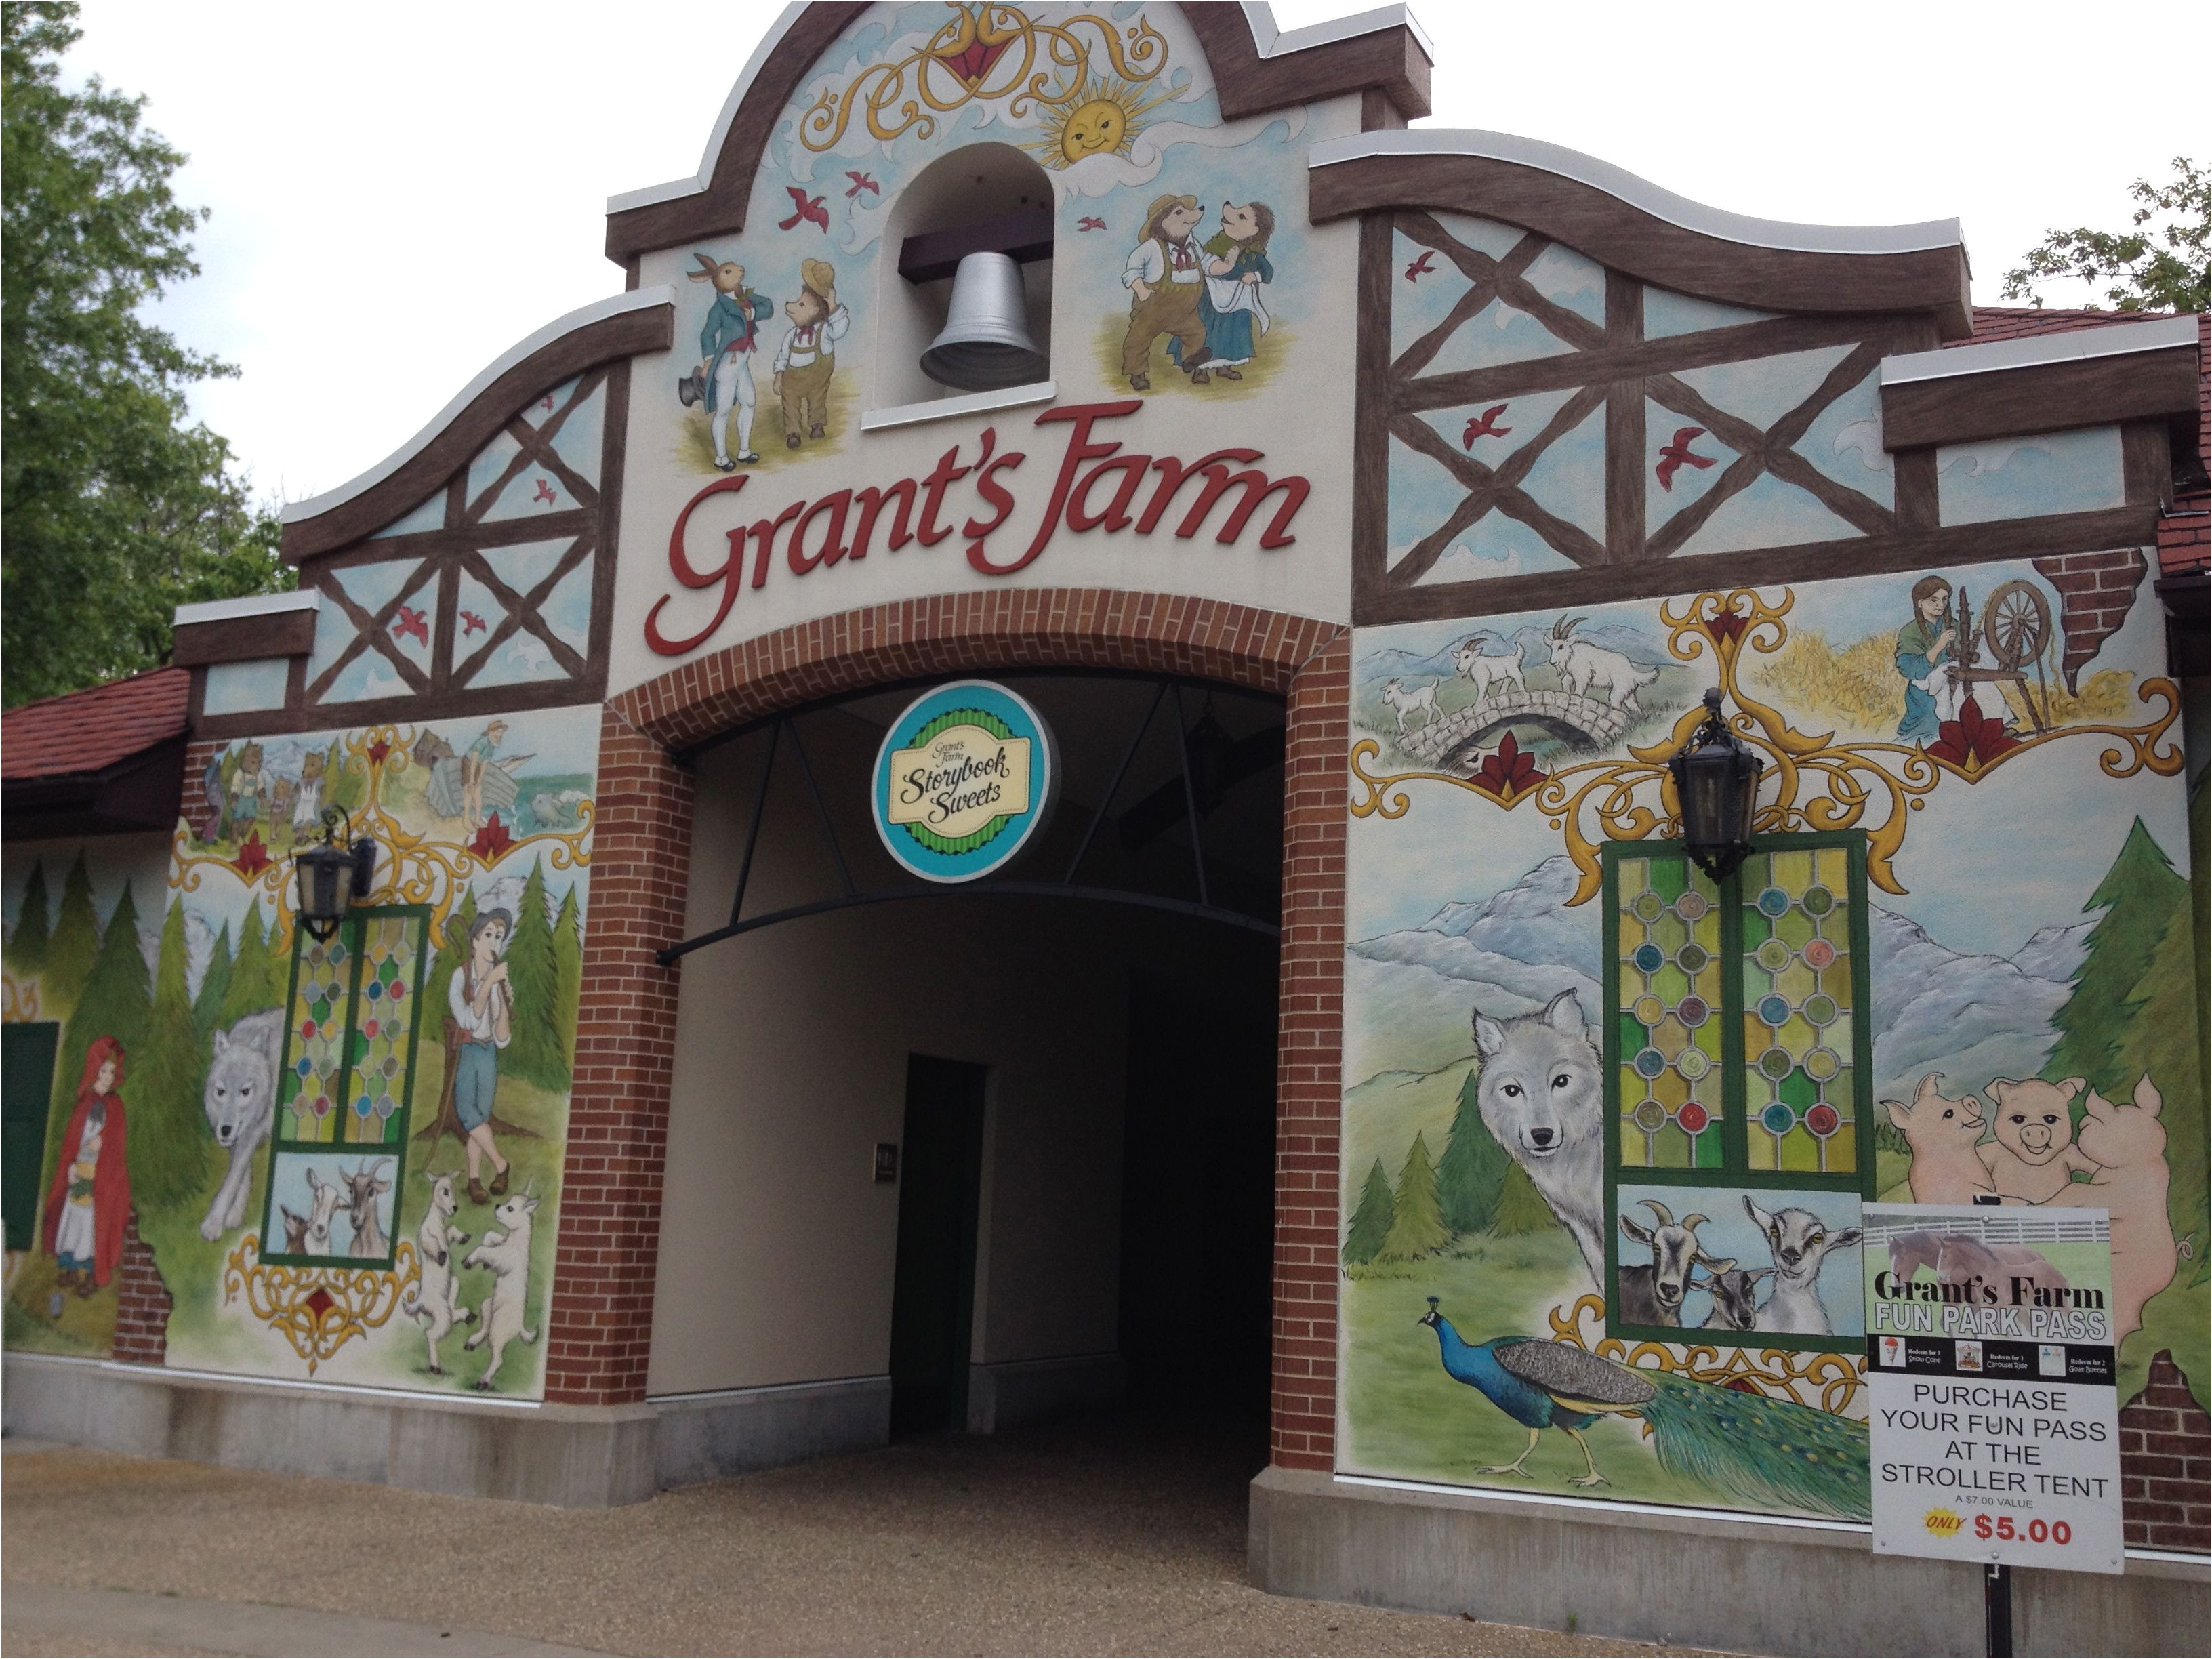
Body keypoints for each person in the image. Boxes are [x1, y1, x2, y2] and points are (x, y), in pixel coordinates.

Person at [41, 1036, 131, 1296]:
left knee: (93, 1224)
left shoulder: (116, 1108)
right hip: (79, 1172)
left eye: (112, 1073)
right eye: (103, 1071)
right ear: (93, 1071)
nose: (107, 1077)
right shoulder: (83, 1106)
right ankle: (69, 1268)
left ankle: (91, 1274)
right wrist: (70, 1164)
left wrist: (102, 1144)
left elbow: (117, 1147)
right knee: (73, 1220)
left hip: (100, 1179)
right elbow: (71, 1142)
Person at [449, 908, 515, 1205]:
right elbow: (468, 1020)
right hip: (468, 1050)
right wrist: (488, 984)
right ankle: (501, 1165)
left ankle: (474, 1181)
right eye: (487, 935)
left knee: (480, 1119)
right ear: (474, 942)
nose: (493, 943)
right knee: (468, 1114)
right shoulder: (460, 977)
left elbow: (502, 1039)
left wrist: (503, 1001)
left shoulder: (498, 984)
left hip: (488, 1054)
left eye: (498, 937)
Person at [1120, 194, 1210, 391]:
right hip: (1153, 308)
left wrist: (1225, 265)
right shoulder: (1151, 248)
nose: (1188, 216)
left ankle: (1195, 366)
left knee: (1197, 333)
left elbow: (1207, 264)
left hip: (1184, 311)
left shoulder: (1194, 246)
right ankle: (1138, 374)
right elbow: (1132, 271)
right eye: (1179, 213)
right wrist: (1141, 290)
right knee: (1139, 339)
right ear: (1162, 222)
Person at [771, 259, 851, 447]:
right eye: (798, 302)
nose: (793, 306)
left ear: (817, 311)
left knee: (817, 400)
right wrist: (779, 376)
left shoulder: (824, 331)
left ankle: (817, 425)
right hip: (793, 380)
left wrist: (832, 305)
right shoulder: (791, 335)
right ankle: (793, 434)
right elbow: (783, 356)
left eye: (801, 305)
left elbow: (840, 329)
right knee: (789, 404)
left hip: (817, 378)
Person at [1193, 201, 1275, 380]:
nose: (1232, 213)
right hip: (1212, 300)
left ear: (1255, 230)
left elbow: (1268, 272)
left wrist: (1254, 276)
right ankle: (1200, 369)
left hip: (1239, 303)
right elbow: (1207, 266)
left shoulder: (1254, 253)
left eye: (1241, 216)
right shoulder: (1218, 245)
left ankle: (1225, 367)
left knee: (1233, 335)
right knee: (1208, 332)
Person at [1894, 576, 1960, 742]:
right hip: (1924, 689)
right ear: (1920, 603)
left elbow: (1963, 653)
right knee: (1933, 718)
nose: (1941, 605)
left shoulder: (1954, 625)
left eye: (1945, 600)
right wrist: (1939, 645)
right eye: (1934, 600)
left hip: (1956, 679)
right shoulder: (1909, 632)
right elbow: (1910, 669)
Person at [460, 720, 508, 832]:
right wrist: (472, 781)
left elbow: (485, 763)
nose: (501, 733)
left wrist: (479, 781)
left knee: (478, 791)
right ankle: (466, 819)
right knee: (469, 790)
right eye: (499, 730)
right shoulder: (482, 743)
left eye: (502, 731)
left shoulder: (493, 744)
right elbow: (474, 760)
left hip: (477, 765)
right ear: (492, 732)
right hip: (469, 763)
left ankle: (477, 818)